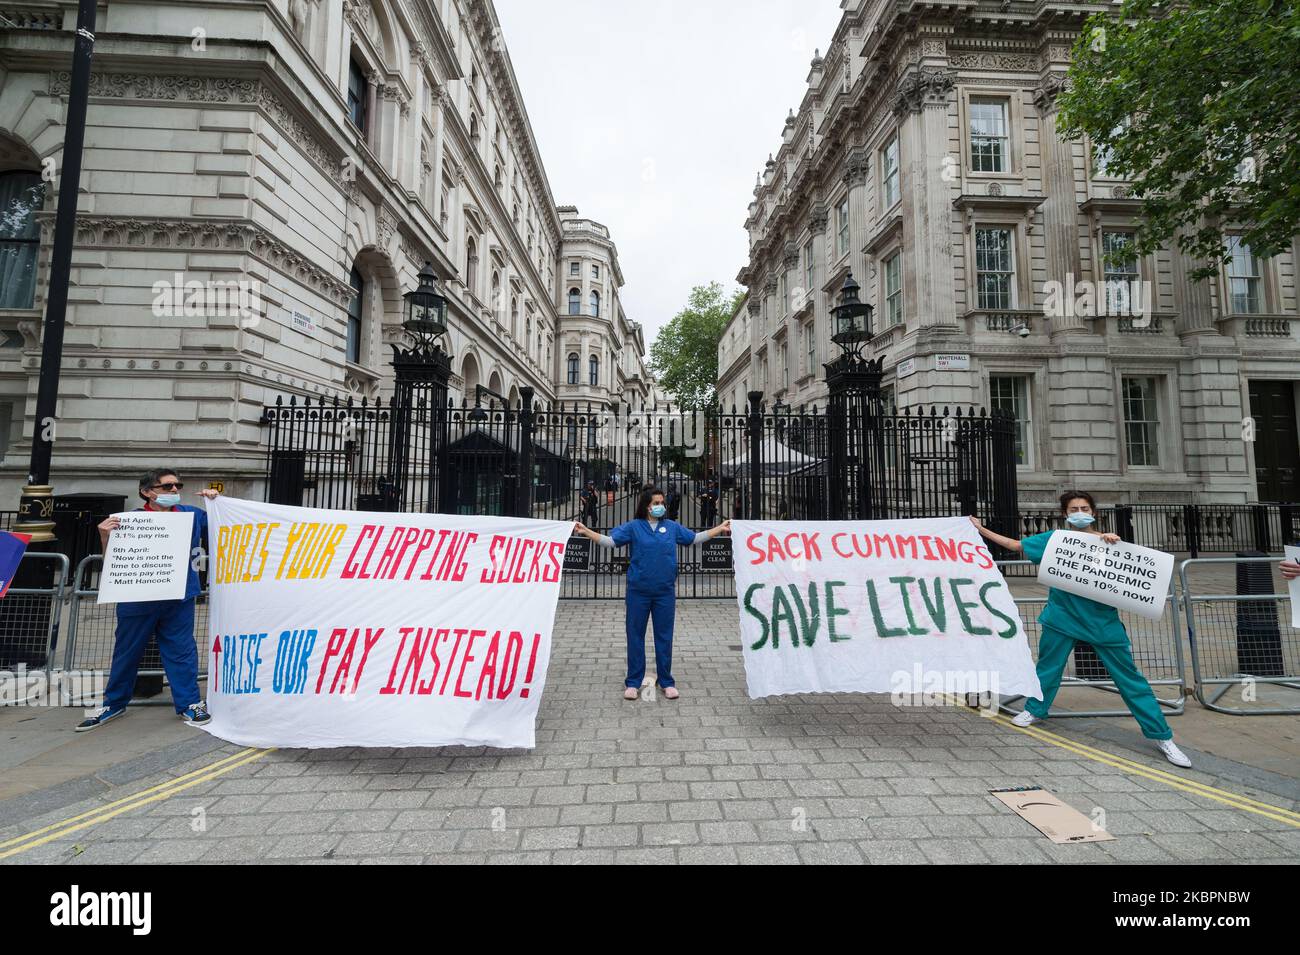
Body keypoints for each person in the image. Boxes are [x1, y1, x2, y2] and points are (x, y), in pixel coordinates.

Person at [971, 489, 1193, 768]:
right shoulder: (1055, 540)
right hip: (1061, 618)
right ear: (1065, 514)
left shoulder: (1109, 542)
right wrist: (981, 530)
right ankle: (1034, 710)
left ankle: (1162, 737)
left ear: (1093, 512)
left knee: (1130, 681)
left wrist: (1113, 543)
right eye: (1074, 509)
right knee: (1047, 670)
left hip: (1102, 622)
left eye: (1084, 508)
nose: (1079, 513)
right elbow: (1017, 546)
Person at [77, 469, 219, 731]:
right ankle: (114, 703)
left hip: (179, 597)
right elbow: (114, 562)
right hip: (137, 598)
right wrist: (105, 536)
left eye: (178, 485)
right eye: (167, 487)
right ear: (147, 492)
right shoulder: (128, 520)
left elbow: (226, 525)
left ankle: (189, 703)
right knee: (127, 652)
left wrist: (216, 501)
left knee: (181, 651)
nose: (175, 490)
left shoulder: (192, 515)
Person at [574, 487, 730, 701]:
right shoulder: (634, 527)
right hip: (638, 591)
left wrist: (719, 528)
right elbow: (610, 542)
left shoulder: (671, 527)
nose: (660, 506)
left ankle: (666, 681)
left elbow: (694, 538)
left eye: (662, 502)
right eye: (656, 503)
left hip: (664, 592)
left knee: (664, 637)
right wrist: (587, 531)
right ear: (646, 505)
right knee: (635, 635)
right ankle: (633, 682)